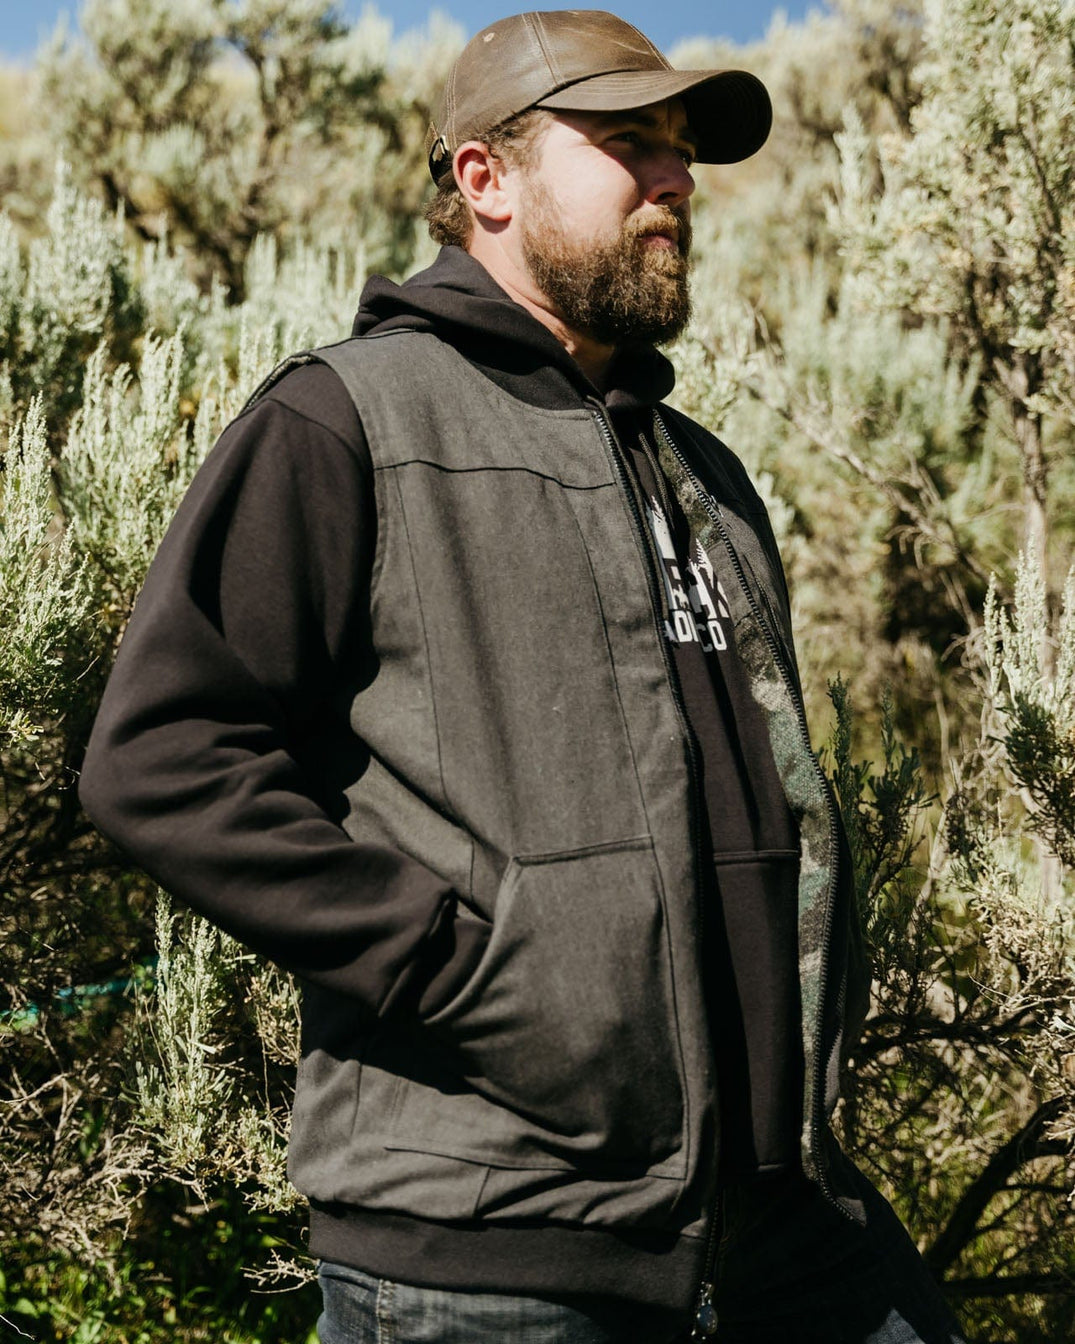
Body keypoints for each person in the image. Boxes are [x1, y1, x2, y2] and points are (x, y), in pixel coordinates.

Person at [78, 10, 967, 1343]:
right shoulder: (347, 421)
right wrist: (455, 966)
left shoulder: (706, 474)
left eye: (681, 150)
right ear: (484, 179)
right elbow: (160, 758)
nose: (675, 179)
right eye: (630, 142)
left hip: (780, 1218)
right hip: (488, 1252)